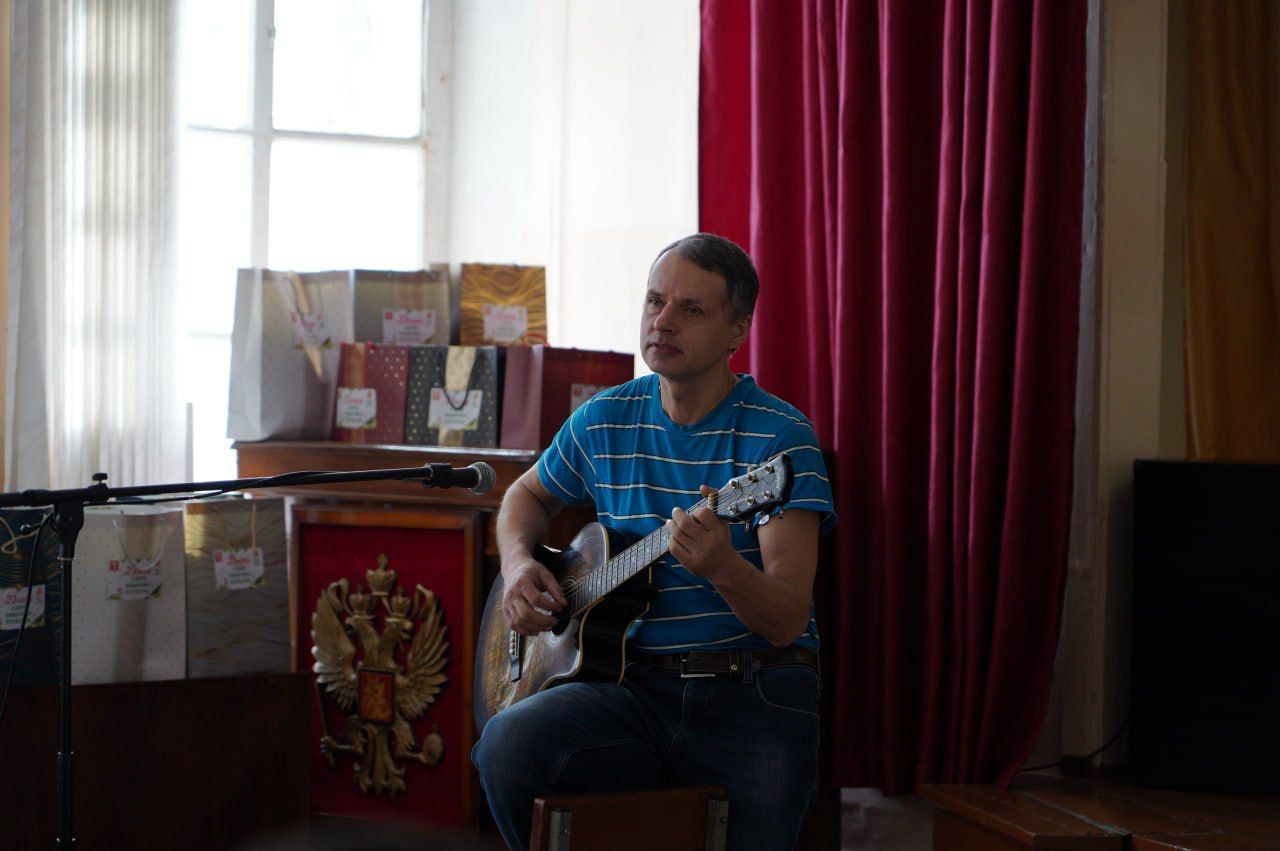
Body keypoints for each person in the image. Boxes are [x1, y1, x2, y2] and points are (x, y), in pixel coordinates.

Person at [471, 233, 836, 851]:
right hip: (626, 688)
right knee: (507, 744)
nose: (662, 321)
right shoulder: (603, 418)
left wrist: (723, 568)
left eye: (690, 309)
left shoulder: (779, 440)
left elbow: (786, 620)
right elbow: (523, 497)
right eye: (654, 301)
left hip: (752, 693)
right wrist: (518, 562)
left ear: (737, 329)